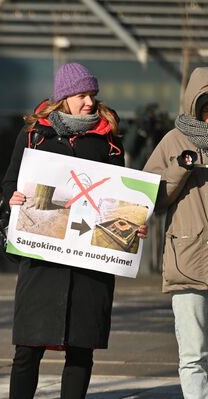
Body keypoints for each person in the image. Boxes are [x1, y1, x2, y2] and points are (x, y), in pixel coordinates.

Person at [1, 62, 147, 399]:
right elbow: (10, 180)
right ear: (64, 98)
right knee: (28, 347)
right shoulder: (35, 135)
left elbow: (119, 201)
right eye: (82, 95)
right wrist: (14, 196)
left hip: (89, 262)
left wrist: (132, 224)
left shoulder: (109, 141)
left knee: (82, 349)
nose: (90, 103)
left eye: (92, 95)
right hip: (42, 259)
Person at [143, 66, 208, 399]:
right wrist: (181, 167)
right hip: (189, 261)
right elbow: (149, 199)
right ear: (196, 106)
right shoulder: (173, 141)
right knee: (194, 355)